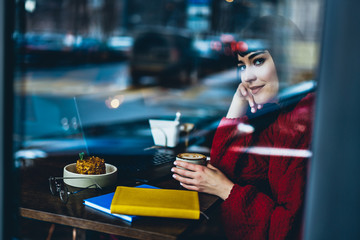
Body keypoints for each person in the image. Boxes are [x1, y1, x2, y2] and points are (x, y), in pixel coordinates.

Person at [171, 15, 316, 240]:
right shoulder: (277, 115)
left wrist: (224, 189)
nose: (247, 77)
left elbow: (286, 227)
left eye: (258, 61)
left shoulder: (300, 123)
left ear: (285, 62)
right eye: (242, 65)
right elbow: (227, 167)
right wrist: (235, 109)